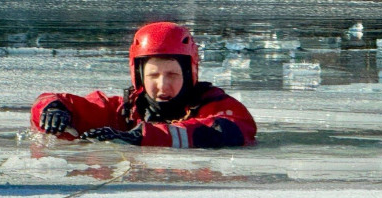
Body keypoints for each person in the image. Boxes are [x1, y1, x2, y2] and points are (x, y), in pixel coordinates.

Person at [31, 22, 256, 148]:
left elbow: (230, 130)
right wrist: (52, 109)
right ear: (139, 77)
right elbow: (61, 101)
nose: (163, 85)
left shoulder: (216, 106)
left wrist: (144, 136)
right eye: (153, 75)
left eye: (172, 75)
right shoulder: (125, 111)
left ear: (190, 73)